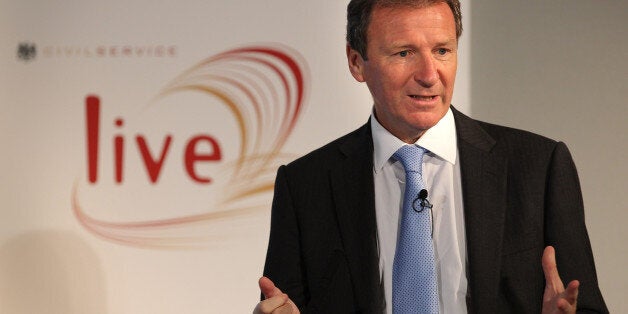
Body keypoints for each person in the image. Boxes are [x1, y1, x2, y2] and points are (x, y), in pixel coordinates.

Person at [254, 0, 608, 313]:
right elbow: (283, 304)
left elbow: (585, 305)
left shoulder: (538, 167)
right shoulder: (305, 185)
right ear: (356, 62)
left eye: (442, 50)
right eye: (404, 53)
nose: (428, 75)